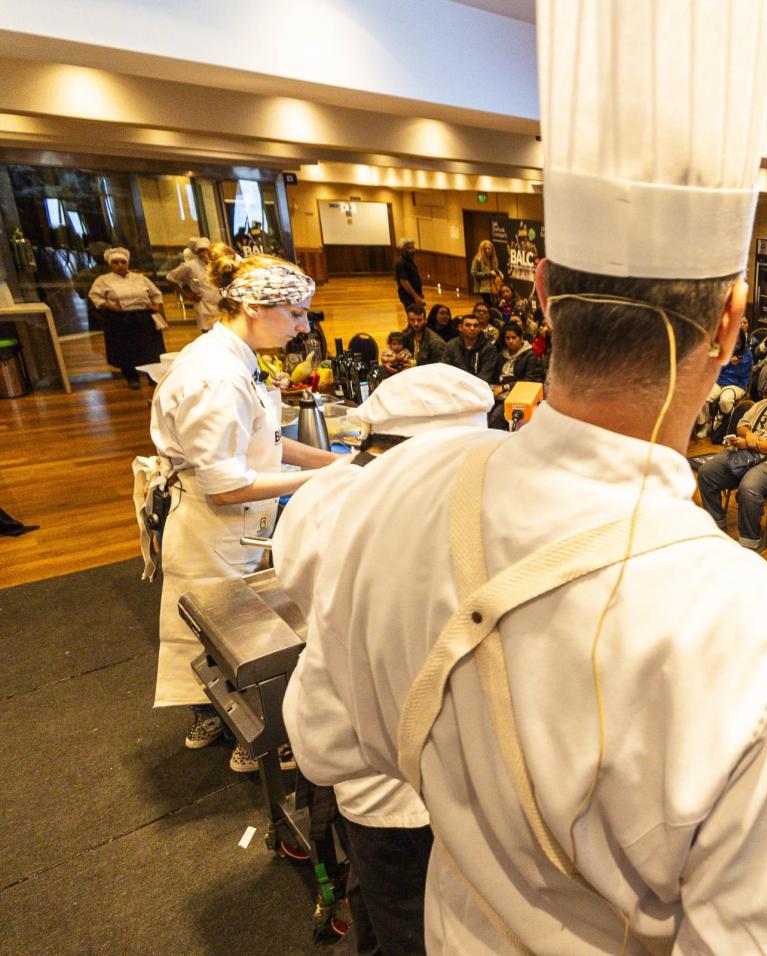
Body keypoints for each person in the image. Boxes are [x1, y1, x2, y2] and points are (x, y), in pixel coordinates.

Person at [283, 0, 767, 945]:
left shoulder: (387, 487)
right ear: (730, 325)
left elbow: (323, 742)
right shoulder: (760, 638)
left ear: (540, 295)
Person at [275, 364, 493, 955]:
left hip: (358, 767)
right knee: (424, 924)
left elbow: (306, 606)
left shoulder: (322, 494)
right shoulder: (462, 503)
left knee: (382, 904)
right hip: (428, 777)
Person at [149, 250, 338, 771]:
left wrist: (345, 459)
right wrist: (334, 475)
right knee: (230, 634)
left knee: (237, 632)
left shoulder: (238, 358)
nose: (303, 328)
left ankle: (233, 718)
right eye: (296, 313)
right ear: (254, 307)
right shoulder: (216, 377)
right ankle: (250, 734)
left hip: (238, 523)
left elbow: (266, 441)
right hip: (215, 526)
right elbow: (227, 486)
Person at [697, 369, 767, 550]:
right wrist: (749, 435)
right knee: (707, 472)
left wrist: (749, 443)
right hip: (748, 456)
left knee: (749, 488)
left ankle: (750, 543)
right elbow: (742, 424)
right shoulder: (762, 404)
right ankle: (716, 525)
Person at [89, 246, 165, 389]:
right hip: (119, 318)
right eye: (116, 262)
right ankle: (131, 378)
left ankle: (152, 376)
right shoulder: (103, 280)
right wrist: (111, 306)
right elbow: (95, 296)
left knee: (149, 349)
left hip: (142, 316)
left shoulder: (140, 278)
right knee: (125, 349)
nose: (120, 265)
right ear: (110, 264)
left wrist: (155, 306)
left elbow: (156, 293)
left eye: (123, 262)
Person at [696, 330, 751, 439]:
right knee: (703, 398)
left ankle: (725, 423)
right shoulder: (718, 347)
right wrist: (727, 362)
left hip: (736, 384)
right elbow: (711, 366)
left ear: (742, 343)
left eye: (738, 344)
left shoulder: (747, 354)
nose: (735, 346)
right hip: (717, 381)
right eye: (733, 343)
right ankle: (705, 423)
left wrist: (730, 363)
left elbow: (741, 374)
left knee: (725, 400)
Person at [166, 236, 219, 332]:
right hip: (205, 308)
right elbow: (170, 278)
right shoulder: (190, 266)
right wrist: (186, 295)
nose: (203, 254)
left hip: (221, 307)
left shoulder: (217, 264)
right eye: (200, 251)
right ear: (196, 253)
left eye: (205, 250)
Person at [442, 313, 499, 384]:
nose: (472, 328)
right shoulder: (451, 345)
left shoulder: (489, 348)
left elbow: (485, 376)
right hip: (454, 384)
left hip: (478, 387)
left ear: (480, 328)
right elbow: (445, 369)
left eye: (475, 325)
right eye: (468, 325)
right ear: (460, 327)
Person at [394, 238, 425, 310]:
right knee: (415, 316)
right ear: (402, 250)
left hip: (415, 294)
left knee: (420, 315)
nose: (413, 250)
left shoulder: (409, 260)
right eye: (409, 248)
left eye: (413, 247)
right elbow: (404, 282)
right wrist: (416, 297)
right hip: (408, 296)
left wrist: (419, 294)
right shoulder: (401, 263)